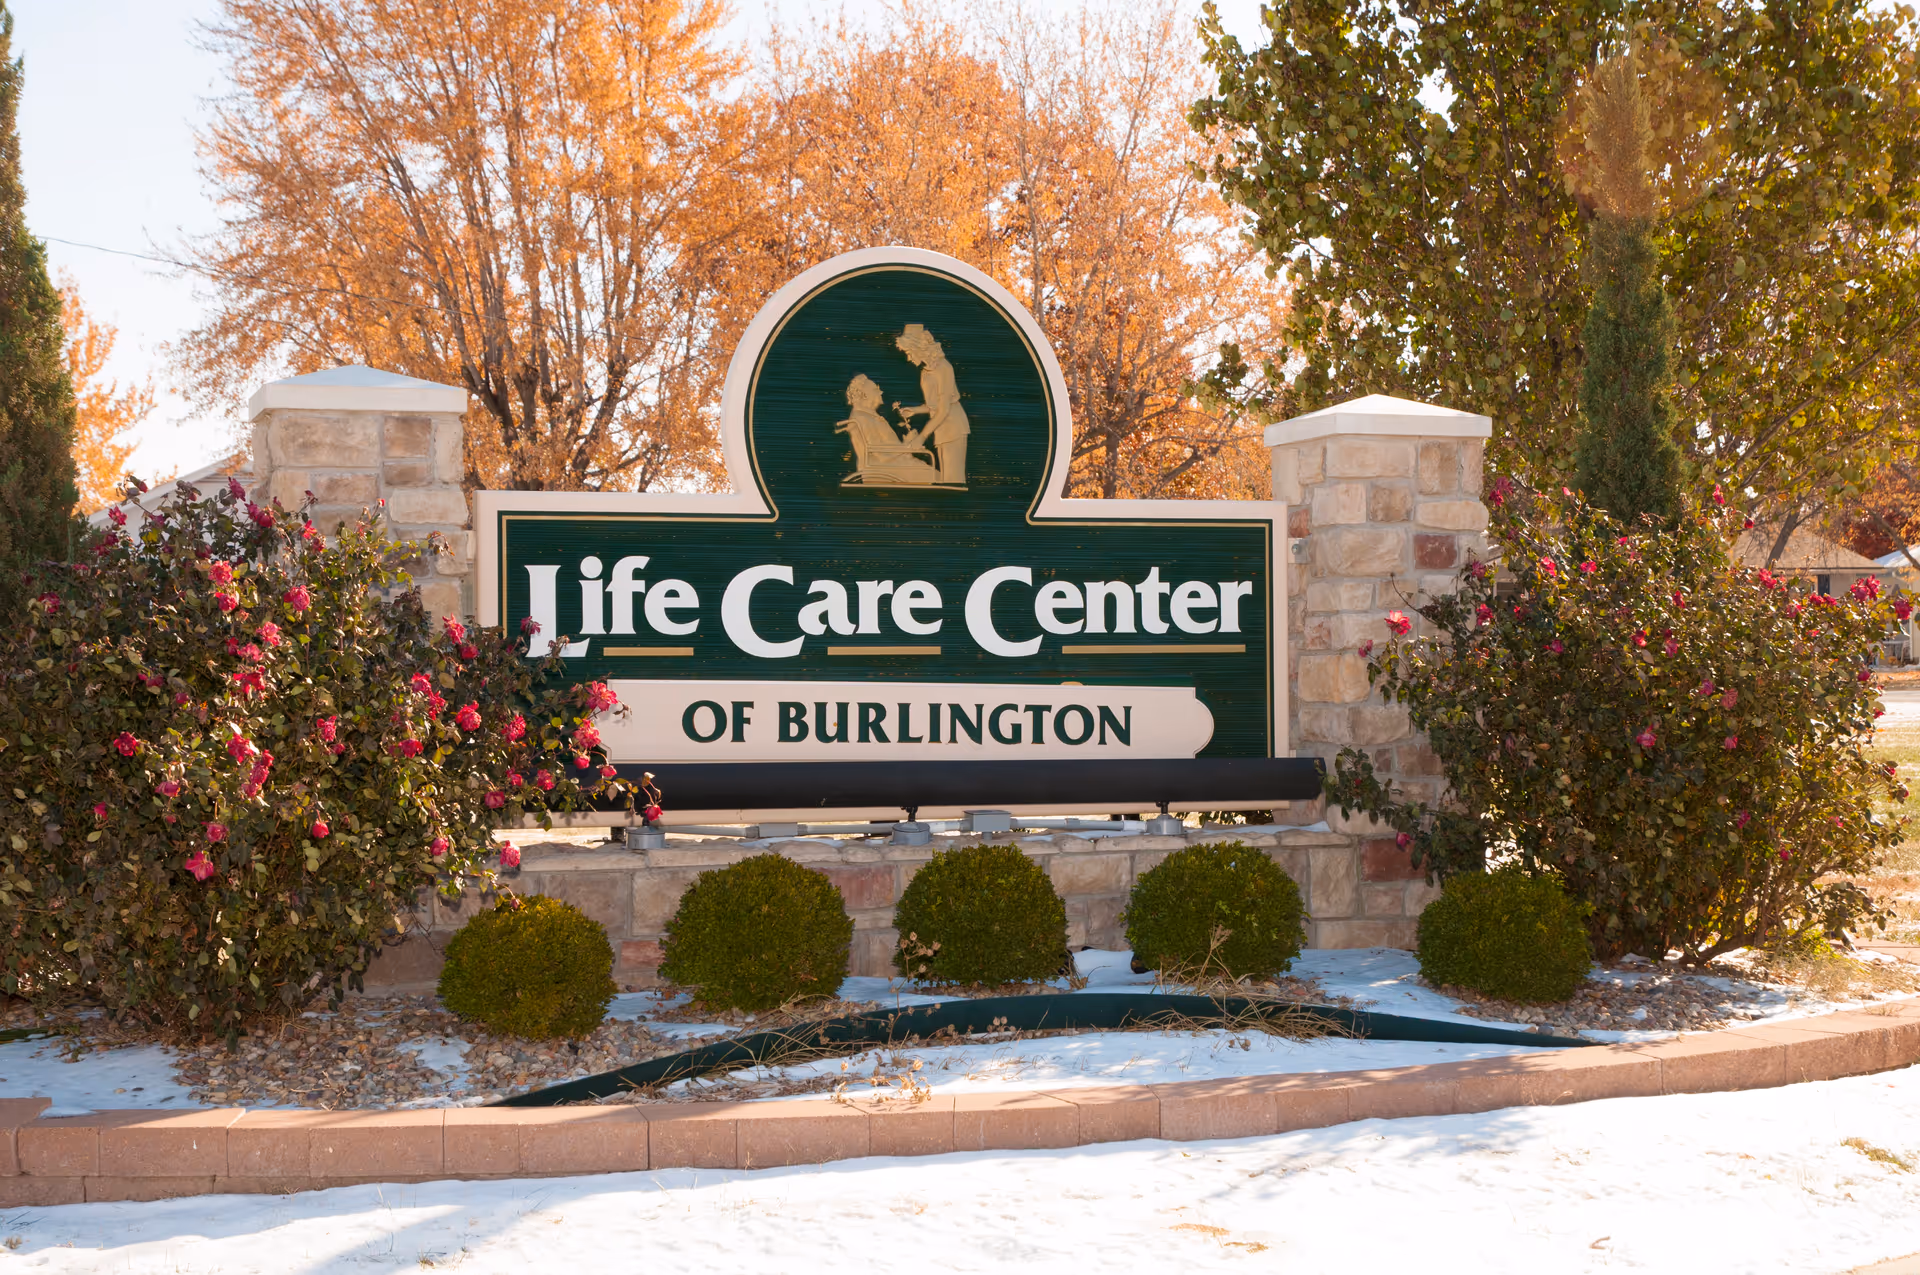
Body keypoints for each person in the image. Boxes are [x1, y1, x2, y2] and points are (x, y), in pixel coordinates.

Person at [893, 324, 969, 484]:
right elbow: (933, 405)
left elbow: (943, 409)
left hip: (953, 428)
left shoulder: (944, 368)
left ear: (918, 347)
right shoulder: (925, 372)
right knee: (945, 480)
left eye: (908, 352)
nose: (908, 358)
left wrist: (921, 437)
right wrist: (914, 410)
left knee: (953, 480)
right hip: (941, 428)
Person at [835, 373, 936, 485]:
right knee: (937, 477)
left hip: (898, 465)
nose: (880, 392)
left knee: (937, 475)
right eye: (875, 389)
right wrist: (907, 446)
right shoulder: (862, 418)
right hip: (888, 470)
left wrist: (908, 444)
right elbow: (881, 455)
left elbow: (885, 450)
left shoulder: (869, 417)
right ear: (864, 395)